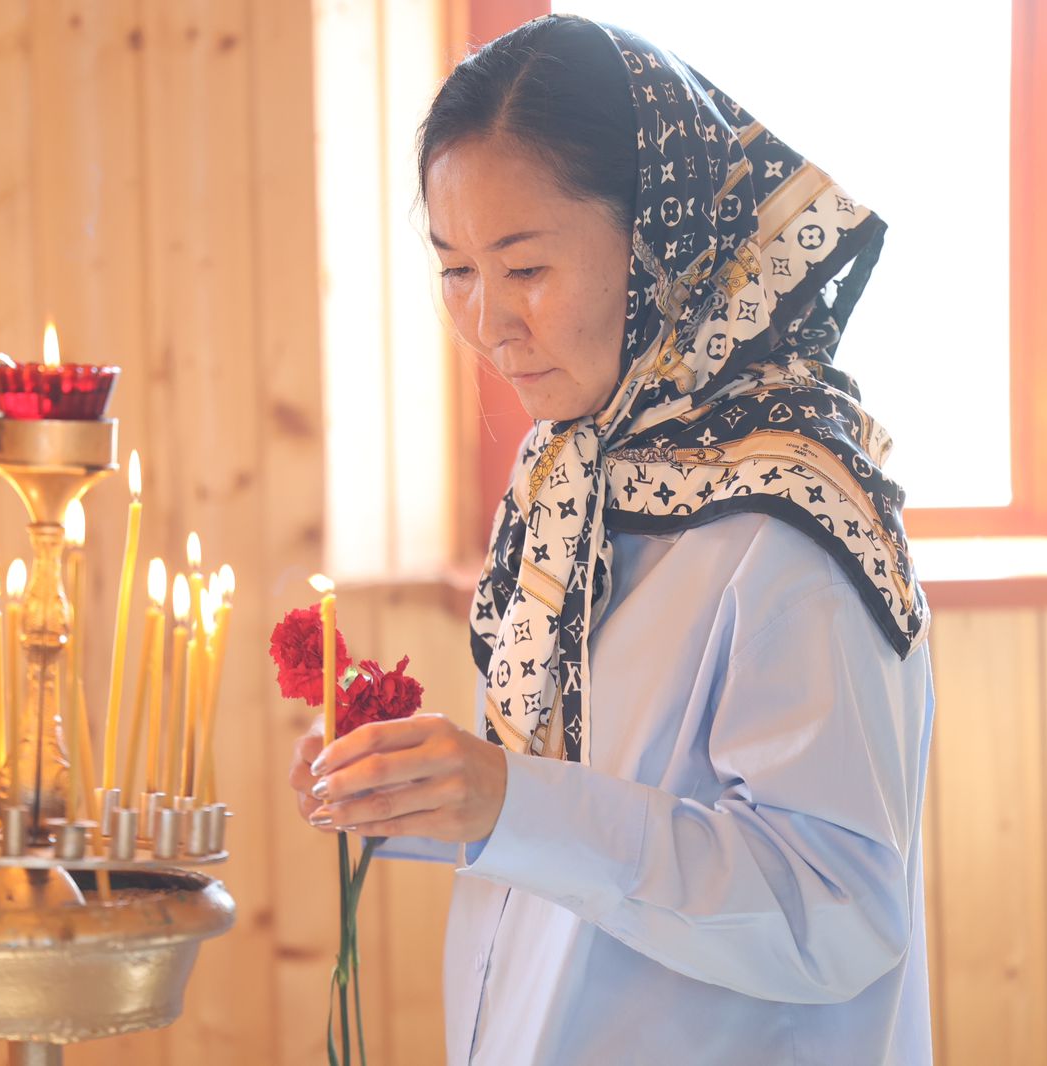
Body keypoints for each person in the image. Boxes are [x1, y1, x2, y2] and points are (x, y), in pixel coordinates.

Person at [288, 15, 933, 1065]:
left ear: (659, 247)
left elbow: (836, 912)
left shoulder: (788, 520)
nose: (489, 324)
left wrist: (509, 799)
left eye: (526, 268)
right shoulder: (573, 477)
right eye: (455, 270)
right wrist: (429, 791)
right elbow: (579, 817)